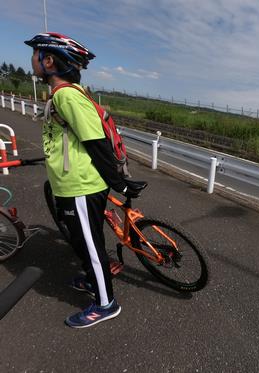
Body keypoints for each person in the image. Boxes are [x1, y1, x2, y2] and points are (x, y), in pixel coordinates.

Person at [25, 32, 139, 328]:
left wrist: (119, 182)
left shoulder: (66, 95)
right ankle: (93, 281)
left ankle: (105, 304)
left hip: (81, 186)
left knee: (91, 246)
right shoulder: (64, 93)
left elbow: (96, 141)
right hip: (73, 184)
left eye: (35, 55)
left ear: (48, 61)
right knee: (86, 240)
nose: (32, 60)